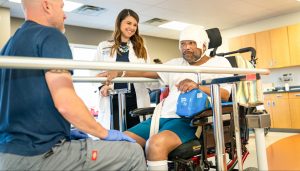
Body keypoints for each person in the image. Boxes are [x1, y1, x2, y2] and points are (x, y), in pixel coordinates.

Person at [0, 0, 146, 170]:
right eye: (61, 7)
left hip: (7, 155)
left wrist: (64, 132)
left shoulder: (9, 45)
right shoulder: (51, 36)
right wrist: (103, 133)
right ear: (47, 5)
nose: (65, 14)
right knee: (133, 152)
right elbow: (65, 103)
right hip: (40, 154)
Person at [98, 25, 233, 170]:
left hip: (189, 120)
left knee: (155, 144)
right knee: (119, 142)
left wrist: (197, 86)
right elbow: (146, 72)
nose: (186, 47)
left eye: (191, 43)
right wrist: (120, 72)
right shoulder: (175, 64)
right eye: (183, 44)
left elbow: (225, 94)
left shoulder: (219, 63)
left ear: (204, 45)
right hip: (160, 117)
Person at [92, 9, 151, 130]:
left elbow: (148, 72)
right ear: (119, 23)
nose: (132, 27)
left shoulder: (140, 47)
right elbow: (94, 72)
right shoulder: (104, 46)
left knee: (136, 136)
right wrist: (102, 87)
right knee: (115, 137)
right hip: (112, 98)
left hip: (135, 98)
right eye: (128, 23)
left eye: (135, 25)